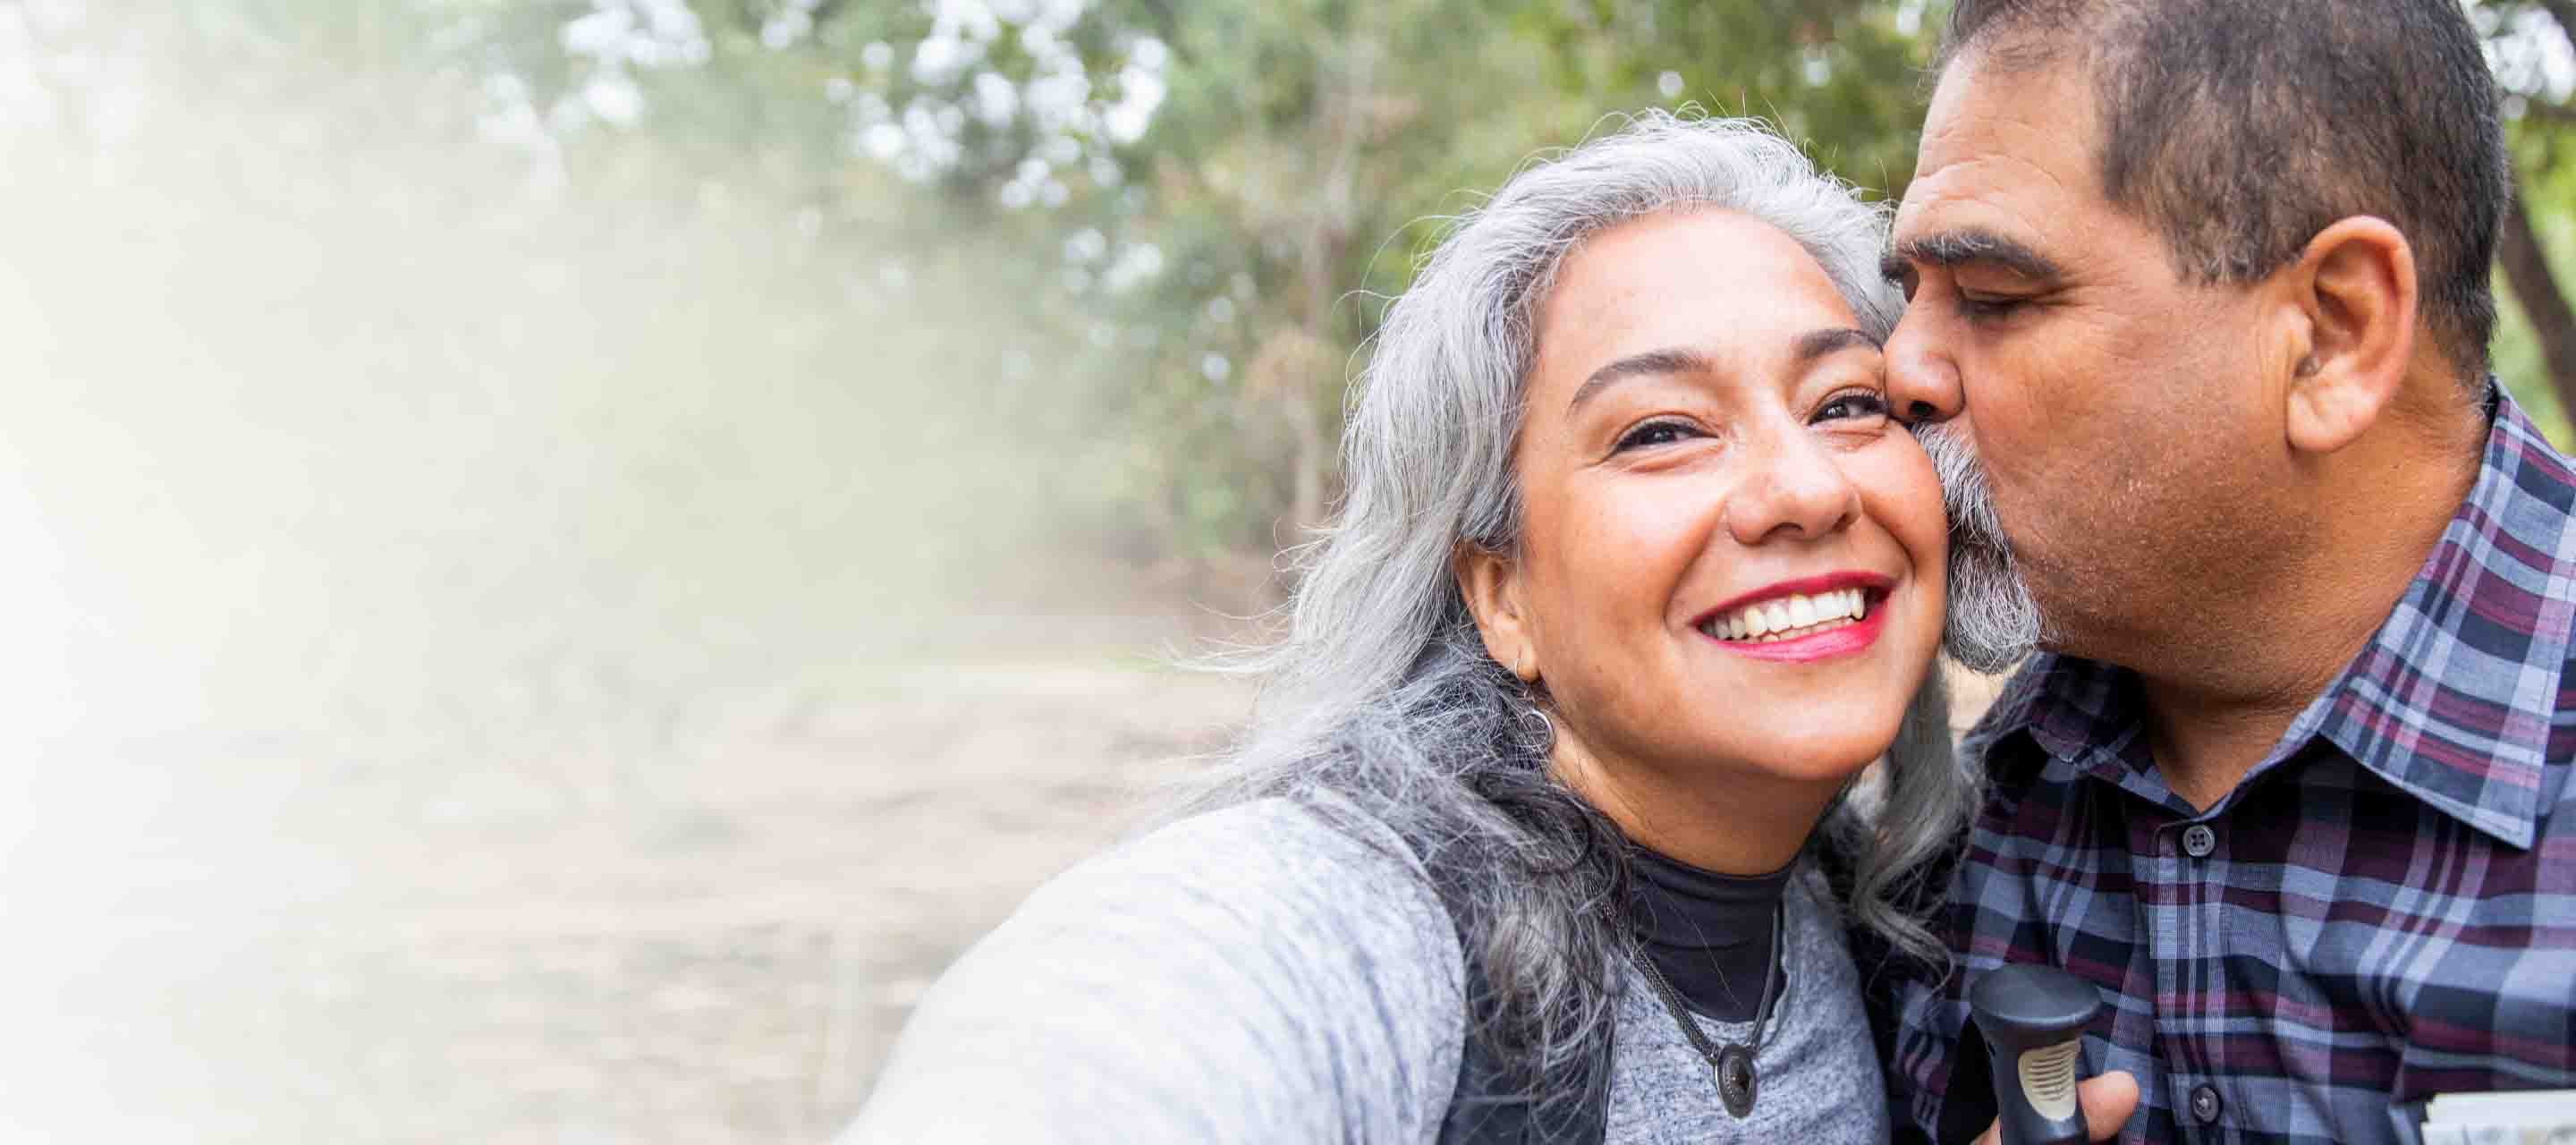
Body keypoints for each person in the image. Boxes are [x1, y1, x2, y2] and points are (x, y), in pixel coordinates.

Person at [849, 112, 1974, 1141]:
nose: (1808, 488)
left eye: (1846, 403)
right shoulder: (1332, 923)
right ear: (1502, 596)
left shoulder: (1882, 917)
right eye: (1663, 430)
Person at [1874, 1, 2576, 1142]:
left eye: (1995, 298)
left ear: (2333, 336)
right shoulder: (1962, 823)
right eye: (1910, 293)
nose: (1899, 366)